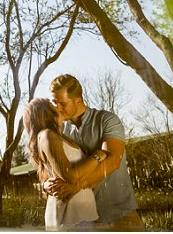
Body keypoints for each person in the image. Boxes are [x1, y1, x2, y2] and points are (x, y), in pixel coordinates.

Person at [46, 74, 142, 230]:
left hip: (119, 215)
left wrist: (78, 186)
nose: (58, 108)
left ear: (78, 100)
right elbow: (49, 166)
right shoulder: (59, 131)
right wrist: (45, 184)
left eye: (62, 103)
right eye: (55, 103)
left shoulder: (107, 120)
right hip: (83, 220)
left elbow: (112, 161)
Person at [23, 98, 108, 230]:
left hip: (83, 213)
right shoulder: (47, 135)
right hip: (68, 216)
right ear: (46, 113)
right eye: (54, 105)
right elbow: (71, 176)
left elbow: (86, 174)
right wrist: (97, 156)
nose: (59, 106)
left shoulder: (61, 136)